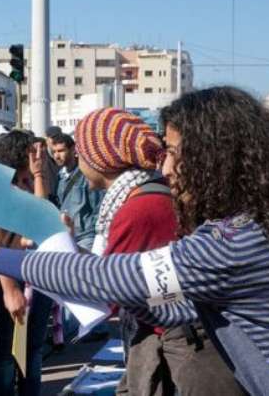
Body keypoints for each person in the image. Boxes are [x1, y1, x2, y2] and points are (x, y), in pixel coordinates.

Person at [0, 86, 269, 395]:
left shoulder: (235, 240)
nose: (162, 166)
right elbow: (180, 298)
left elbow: (111, 280)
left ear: (213, 157)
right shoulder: (265, 220)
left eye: (171, 151)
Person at [70, 108, 242, 395]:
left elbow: (111, 291)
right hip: (176, 336)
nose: (77, 159)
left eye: (81, 151)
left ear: (102, 157)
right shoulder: (144, 195)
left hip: (177, 347)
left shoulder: (139, 208)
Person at [0, 130, 52, 396]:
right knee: (7, 352)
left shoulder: (27, 184)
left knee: (32, 350)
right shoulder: (0, 193)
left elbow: (43, 218)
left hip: (36, 279)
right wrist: (9, 290)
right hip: (10, 280)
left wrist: (37, 177)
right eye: (33, 155)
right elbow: (37, 219)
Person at [50, 132, 103, 250]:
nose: (57, 156)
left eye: (61, 151)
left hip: (86, 236)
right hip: (66, 235)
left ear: (73, 150)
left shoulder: (86, 175)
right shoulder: (60, 177)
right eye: (54, 152)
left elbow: (98, 207)